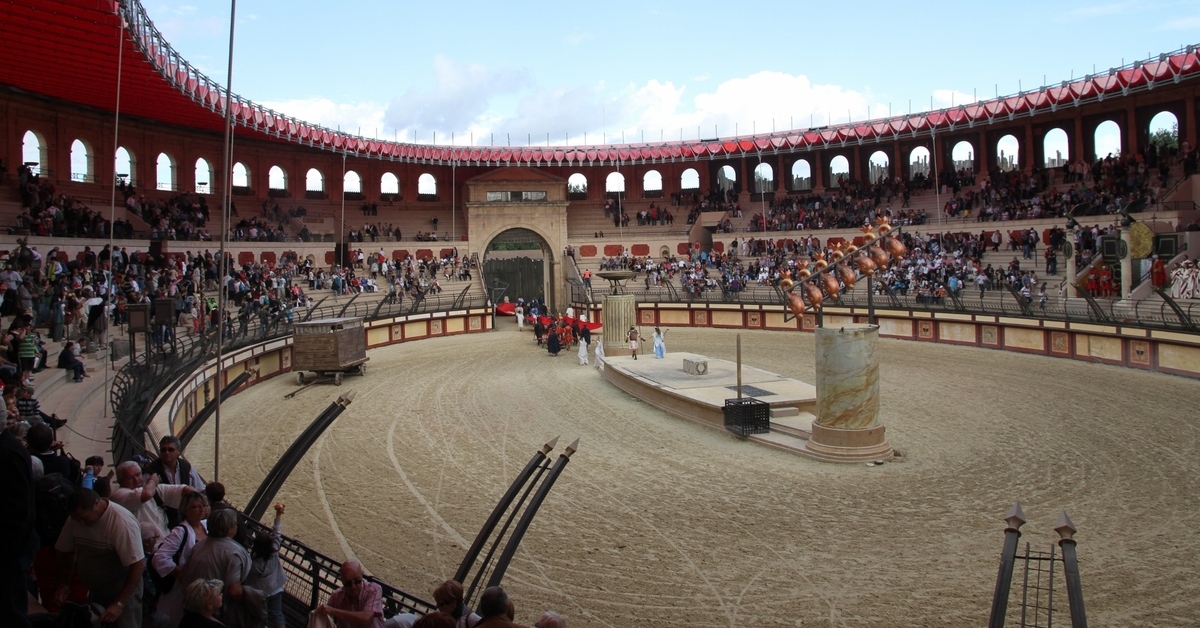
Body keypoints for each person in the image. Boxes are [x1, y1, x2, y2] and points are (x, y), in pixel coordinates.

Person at [55, 488, 145, 628]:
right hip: (96, 590)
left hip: (122, 590)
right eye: (77, 519)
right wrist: (64, 583)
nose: (81, 523)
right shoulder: (75, 519)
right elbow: (66, 552)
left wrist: (120, 603)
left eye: (84, 518)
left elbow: (138, 565)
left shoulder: (121, 522)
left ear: (97, 503)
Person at [179, 508, 256, 628]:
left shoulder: (198, 546)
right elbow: (234, 591)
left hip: (191, 609)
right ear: (230, 529)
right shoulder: (234, 553)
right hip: (215, 614)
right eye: (235, 523)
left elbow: (184, 574)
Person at [154, 491, 210, 626]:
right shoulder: (180, 532)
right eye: (195, 507)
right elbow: (159, 557)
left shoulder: (206, 525)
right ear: (185, 510)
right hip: (184, 589)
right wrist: (180, 573)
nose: (201, 510)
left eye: (203, 505)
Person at [0, 424, 35, 628]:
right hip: (11, 549)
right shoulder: (9, 448)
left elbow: (18, 512)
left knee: (11, 613)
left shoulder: (7, 454)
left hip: (8, 553)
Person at [247, 503, 287, 628]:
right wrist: (278, 515)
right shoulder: (274, 552)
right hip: (276, 588)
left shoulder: (253, 564)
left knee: (261, 616)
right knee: (277, 614)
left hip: (261, 593)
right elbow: (276, 533)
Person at [315, 559, 384, 628]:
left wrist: (333, 611)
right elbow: (325, 615)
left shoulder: (373, 590)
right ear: (342, 581)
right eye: (348, 583)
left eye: (357, 581)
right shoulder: (336, 596)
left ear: (362, 575)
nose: (353, 587)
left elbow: (365, 618)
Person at [385, 579, 480, 628]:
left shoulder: (472, 619)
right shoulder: (440, 613)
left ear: (453, 602)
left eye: (441, 603)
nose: (437, 606)